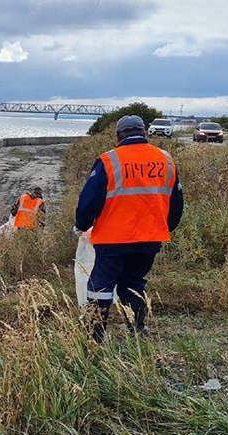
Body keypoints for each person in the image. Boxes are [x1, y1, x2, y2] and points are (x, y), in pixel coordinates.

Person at [75, 115, 184, 342]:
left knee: (100, 287)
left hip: (113, 239)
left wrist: (82, 225)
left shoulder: (109, 161)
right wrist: (167, 227)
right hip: (150, 239)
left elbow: (89, 199)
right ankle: (138, 329)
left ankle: (95, 336)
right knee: (134, 283)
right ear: (144, 133)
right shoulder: (166, 160)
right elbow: (176, 201)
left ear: (118, 136)